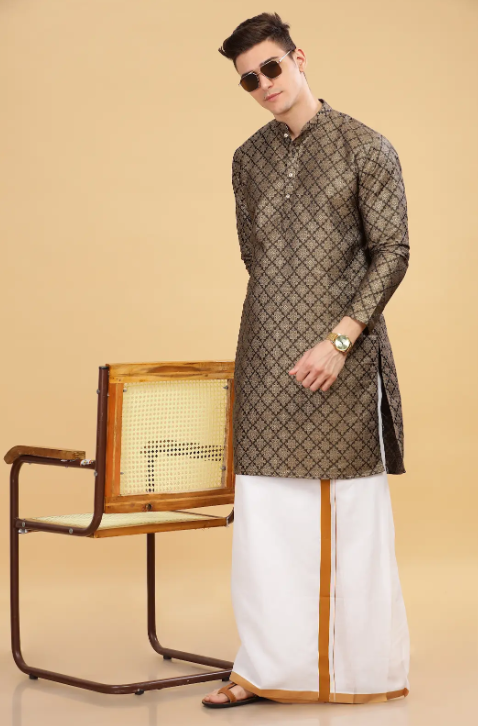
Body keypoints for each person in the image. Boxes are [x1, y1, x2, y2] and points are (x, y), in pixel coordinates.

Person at [202, 11, 411, 708]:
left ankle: (356, 673)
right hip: (266, 357)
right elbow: (256, 258)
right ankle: (263, 669)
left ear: (299, 58)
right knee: (265, 519)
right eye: (248, 79)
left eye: (271, 67)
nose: (263, 84)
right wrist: (283, 325)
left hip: (340, 361)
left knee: (347, 516)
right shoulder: (247, 159)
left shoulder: (364, 147)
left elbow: (393, 252)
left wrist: (340, 340)